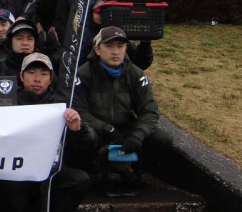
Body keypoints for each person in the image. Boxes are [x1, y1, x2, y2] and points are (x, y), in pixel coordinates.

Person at [0, 52, 96, 212]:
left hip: (52, 170)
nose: (37, 79)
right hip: (17, 168)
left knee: (79, 179)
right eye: (31, 72)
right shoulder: (6, 101)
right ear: (21, 76)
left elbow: (89, 141)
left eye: (43, 74)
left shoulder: (63, 105)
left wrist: (78, 128)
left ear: (51, 78)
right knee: (4, 176)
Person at [72, 26, 172, 196]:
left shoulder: (135, 73)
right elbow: (79, 110)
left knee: (162, 139)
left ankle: (135, 171)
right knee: (81, 138)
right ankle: (105, 171)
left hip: (127, 129)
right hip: (97, 130)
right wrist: (106, 128)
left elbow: (150, 111)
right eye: (109, 46)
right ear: (97, 49)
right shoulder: (83, 74)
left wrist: (137, 136)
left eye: (120, 46)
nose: (115, 52)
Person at [0, 20, 38, 106]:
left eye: (30, 39)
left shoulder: (45, 68)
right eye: (19, 38)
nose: (25, 43)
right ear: (10, 42)